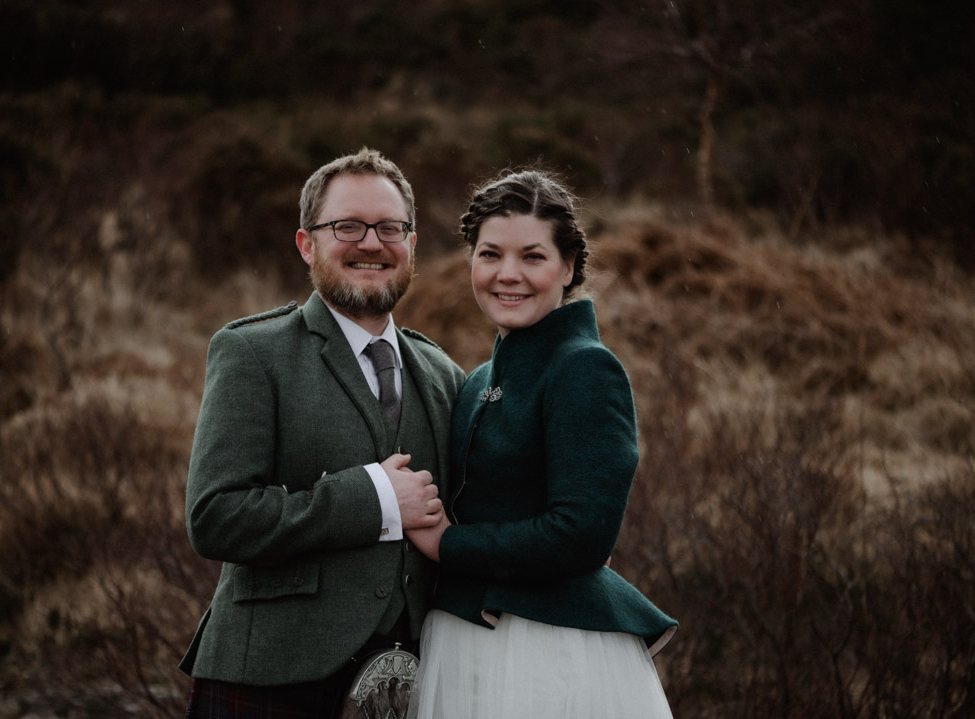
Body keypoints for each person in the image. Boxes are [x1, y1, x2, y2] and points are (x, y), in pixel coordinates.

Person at [179, 147, 466, 718]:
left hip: (408, 686)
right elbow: (216, 517)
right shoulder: (252, 353)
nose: (370, 243)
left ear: (412, 246)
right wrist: (376, 498)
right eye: (348, 226)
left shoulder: (445, 375)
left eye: (390, 228)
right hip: (268, 684)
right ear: (307, 243)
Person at [406, 169, 678, 719]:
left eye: (532, 256)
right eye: (490, 255)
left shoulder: (584, 368)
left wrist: (447, 545)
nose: (508, 275)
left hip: (544, 651)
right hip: (466, 640)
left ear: (569, 266)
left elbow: (581, 534)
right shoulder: (481, 378)